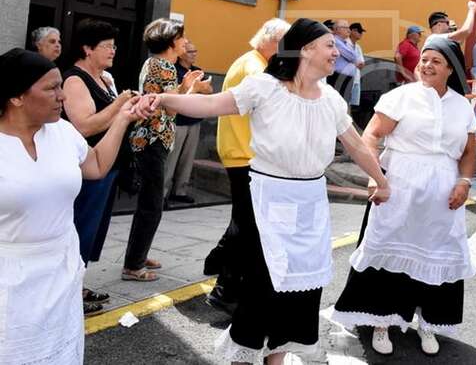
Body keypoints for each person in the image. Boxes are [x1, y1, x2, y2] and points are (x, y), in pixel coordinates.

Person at [136, 18, 391, 364]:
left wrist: (381, 180)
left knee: (300, 290)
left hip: (310, 202)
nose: (337, 51)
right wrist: (163, 98)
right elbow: (212, 105)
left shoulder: (331, 98)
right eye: (330, 44)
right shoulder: (265, 87)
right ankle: (244, 355)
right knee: (263, 284)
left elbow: (357, 145)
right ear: (305, 50)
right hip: (269, 197)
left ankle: (277, 358)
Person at [331, 36, 476, 356]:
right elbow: (371, 135)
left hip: (442, 195)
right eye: (424, 59)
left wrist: (464, 182)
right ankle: (381, 320)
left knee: (435, 254)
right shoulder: (401, 97)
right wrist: (375, 176)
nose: (426, 65)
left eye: (436, 61)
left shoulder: (462, 106)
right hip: (399, 187)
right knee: (389, 249)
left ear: (450, 69)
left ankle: (427, 320)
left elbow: (468, 152)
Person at [0, 48, 147, 365]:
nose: (62, 96)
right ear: (16, 97)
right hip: (9, 276)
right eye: (51, 88)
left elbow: (96, 165)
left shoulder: (63, 132)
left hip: (60, 269)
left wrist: (122, 119)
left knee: (58, 352)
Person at [205, 19, 290, 313]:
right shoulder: (254, 66)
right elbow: (271, 99)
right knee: (246, 224)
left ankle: (218, 263)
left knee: (244, 219)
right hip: (244, 154)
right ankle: (224, 290)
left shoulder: (254, 61)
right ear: (267, 39)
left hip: (245, 153)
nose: (285, 51)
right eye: (282, 44)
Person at [61, 19, 135, 315]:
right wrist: (121, 104)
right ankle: (69, 290)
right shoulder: (75, 80)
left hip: (108, 165)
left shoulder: (105, 78)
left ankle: (77, 284)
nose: (113, 51)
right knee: (81, 226)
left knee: (93, 230)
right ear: (87, 48)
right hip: (88, 166)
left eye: (114, 46)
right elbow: (85, 126)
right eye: (106, 46)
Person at [123, 19, 203, 281]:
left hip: (147, 138)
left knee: (148, 203)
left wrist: (184, 87)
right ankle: (133, 266)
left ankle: (138, 254)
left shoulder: (152, 62)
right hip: (154, 140)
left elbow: (165, 97)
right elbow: (172, 107)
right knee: (152, 205)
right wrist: (191, 88)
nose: (185, 42)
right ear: (171, 42)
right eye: (181, 38)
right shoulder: (166, 66)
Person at [164, 41, 213, 205]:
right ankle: (162, 193)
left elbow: (209, 90)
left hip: (194, 120)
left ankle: (180, 191)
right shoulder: (173, 69)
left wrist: (199, 88)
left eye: (195, 51)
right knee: (171, 159)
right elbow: (178, 92)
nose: (194, 54)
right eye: (191, 51)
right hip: (177, 121)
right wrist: (195, 88)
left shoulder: (197, 71)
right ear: (182, 54)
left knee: (187, 159)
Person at [327, 19, 358, 102]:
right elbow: (353, 57)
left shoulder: (345, 42)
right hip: (337, 77)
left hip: (345, 78)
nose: (349, 30)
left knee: (343, 103)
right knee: (338, 103)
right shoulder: (335, 41)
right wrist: (354, 58)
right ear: (337, 29)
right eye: (345, 27)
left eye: (348, 28)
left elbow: (355, 57)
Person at [348, 22, 366, 111]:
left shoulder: (358, 47)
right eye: (359, 31)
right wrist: (356, 63)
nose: (361, 34)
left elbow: (362, 64)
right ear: (352, 31)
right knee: (343, 102)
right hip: (346, 78)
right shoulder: (345, 44)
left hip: (356, 79)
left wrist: (355, 63)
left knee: (352, 105)